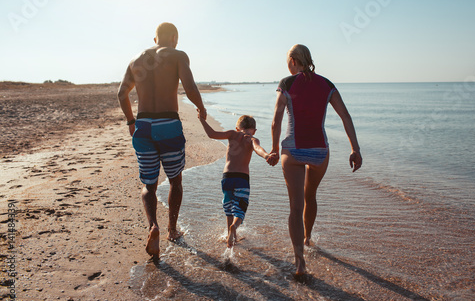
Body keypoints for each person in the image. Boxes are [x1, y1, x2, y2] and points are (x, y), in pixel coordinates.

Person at [270, 44, 362, 276]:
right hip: (320, 151)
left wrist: (273, 149)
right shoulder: (327, 84)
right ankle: (308, 237)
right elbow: (346, 116)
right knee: (310, 197)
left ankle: (299, 261)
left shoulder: (286, 83)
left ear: (292, 60)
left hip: (292, 151)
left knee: (295, 206)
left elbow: (276, 120)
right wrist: (355, 149)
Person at [117, 22, 207, 258]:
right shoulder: (178, 55)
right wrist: (201, 107)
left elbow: (121, 93)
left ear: (155, 39)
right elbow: (189, 87)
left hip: (144, 125)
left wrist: (130, 122)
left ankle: (153, 227)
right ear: (174, 37)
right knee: (175, 181)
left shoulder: (136, 59)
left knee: (149, 185)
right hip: (169, 124)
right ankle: (172, 229)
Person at [198, 114, 276, 248]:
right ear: (254, 130)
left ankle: (230, 235)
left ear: (237, 128)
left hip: (227, 177)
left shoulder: (232, 134)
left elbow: (212, 134)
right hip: (242, 179)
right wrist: (267, 156)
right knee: (240, 208)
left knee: (228, 208)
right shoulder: (252, 139)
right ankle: (235, 227)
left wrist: (201, 119)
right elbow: (258, 149)